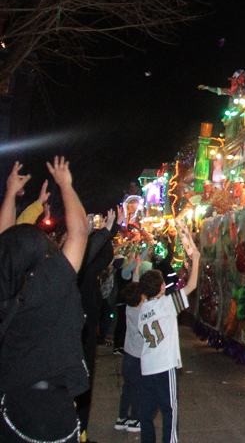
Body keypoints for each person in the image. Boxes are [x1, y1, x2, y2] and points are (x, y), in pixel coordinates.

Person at [0, 158, 91, 443]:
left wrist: (10, 193)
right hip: (53, 412)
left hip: (10, 408)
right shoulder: (52, 284)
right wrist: (66, 184)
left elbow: (6, 242)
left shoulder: (6, 288)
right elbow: (80, 232)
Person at [137, 220, 200, 443]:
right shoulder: (166, 305)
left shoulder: (142, 308)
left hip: (146, 368)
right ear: (162, 287)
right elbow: (190, 286)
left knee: (146, 416)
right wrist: (197, 259)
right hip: (164, 368)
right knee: (169, 412)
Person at [75, 208, 119, 443]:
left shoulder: (87, 270)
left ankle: (80, 432)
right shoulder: (70, 268)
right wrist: (103, 232)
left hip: (87, 330)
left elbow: (102, 257)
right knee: (77, 384)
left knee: (85, 384)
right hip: (75, 334)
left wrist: (109, 231)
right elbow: (90, 255)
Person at [115, 281, 144, 433]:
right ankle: (135, 419)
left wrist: (137, 268)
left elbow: (134, 284)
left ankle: (122, 418)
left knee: (127, 388)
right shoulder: (142, 314)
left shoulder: (129, 308)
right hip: (138, 358)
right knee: (138, 390)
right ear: (140, 297)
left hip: (128, 356)